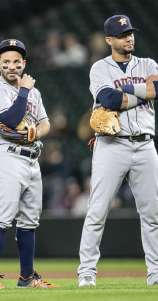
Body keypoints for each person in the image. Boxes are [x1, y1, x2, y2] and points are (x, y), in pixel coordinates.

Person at [78, 15, 158, 287]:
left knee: (153, 215)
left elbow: (157, 88)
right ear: (109, 40)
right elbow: (108, 99)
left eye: (131, 33)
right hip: (112, 146)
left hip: (146, 145)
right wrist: (143, 91)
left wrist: (125, 89)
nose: (129, 38)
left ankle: (156, 274)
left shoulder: (148, 63)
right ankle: (86, 273)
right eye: (123, 34)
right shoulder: (99, 68)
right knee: (97, 212)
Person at [0, 39, 57, 289]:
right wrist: (23, 90)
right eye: (6, 62)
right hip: (9, 156)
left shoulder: (35, 92)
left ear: (24, 63)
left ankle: (27, 277)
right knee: (2, 217)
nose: (11, 66)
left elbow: (46, 124)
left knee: (29, 221)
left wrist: (32, 133)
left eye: (16, 62)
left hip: (32, 158)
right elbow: (13, 119)